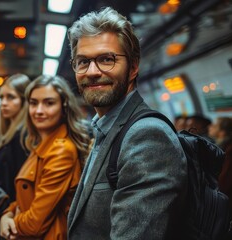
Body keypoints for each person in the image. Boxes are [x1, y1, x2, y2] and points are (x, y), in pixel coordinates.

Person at [66, 7, 188, 239]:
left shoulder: (147, 136)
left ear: (133, 68)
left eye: (106, 59)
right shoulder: (106, 127)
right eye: (83, 62)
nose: (92, 71)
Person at [0, 75, 90, 239]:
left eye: (49, 103)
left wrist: (11, 223)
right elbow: (27, 199)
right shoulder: (40, 145)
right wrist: (7, 214)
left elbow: (35, 224)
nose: (39, 111)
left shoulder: (60, 151)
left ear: (64, 106)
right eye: (33, 103)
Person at [0, 73, 31, 240]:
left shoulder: (23, 139)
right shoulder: (12, 135)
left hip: (12, 221)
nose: (3, 103)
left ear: (24, 101)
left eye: (11, 97)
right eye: (2, 97)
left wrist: (7, 214)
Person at [208, 117, 232, 233]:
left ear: (222, 132)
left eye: (215, 126)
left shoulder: (231, 152)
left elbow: (224, 183)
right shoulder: (223, 148)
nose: (210, 127)